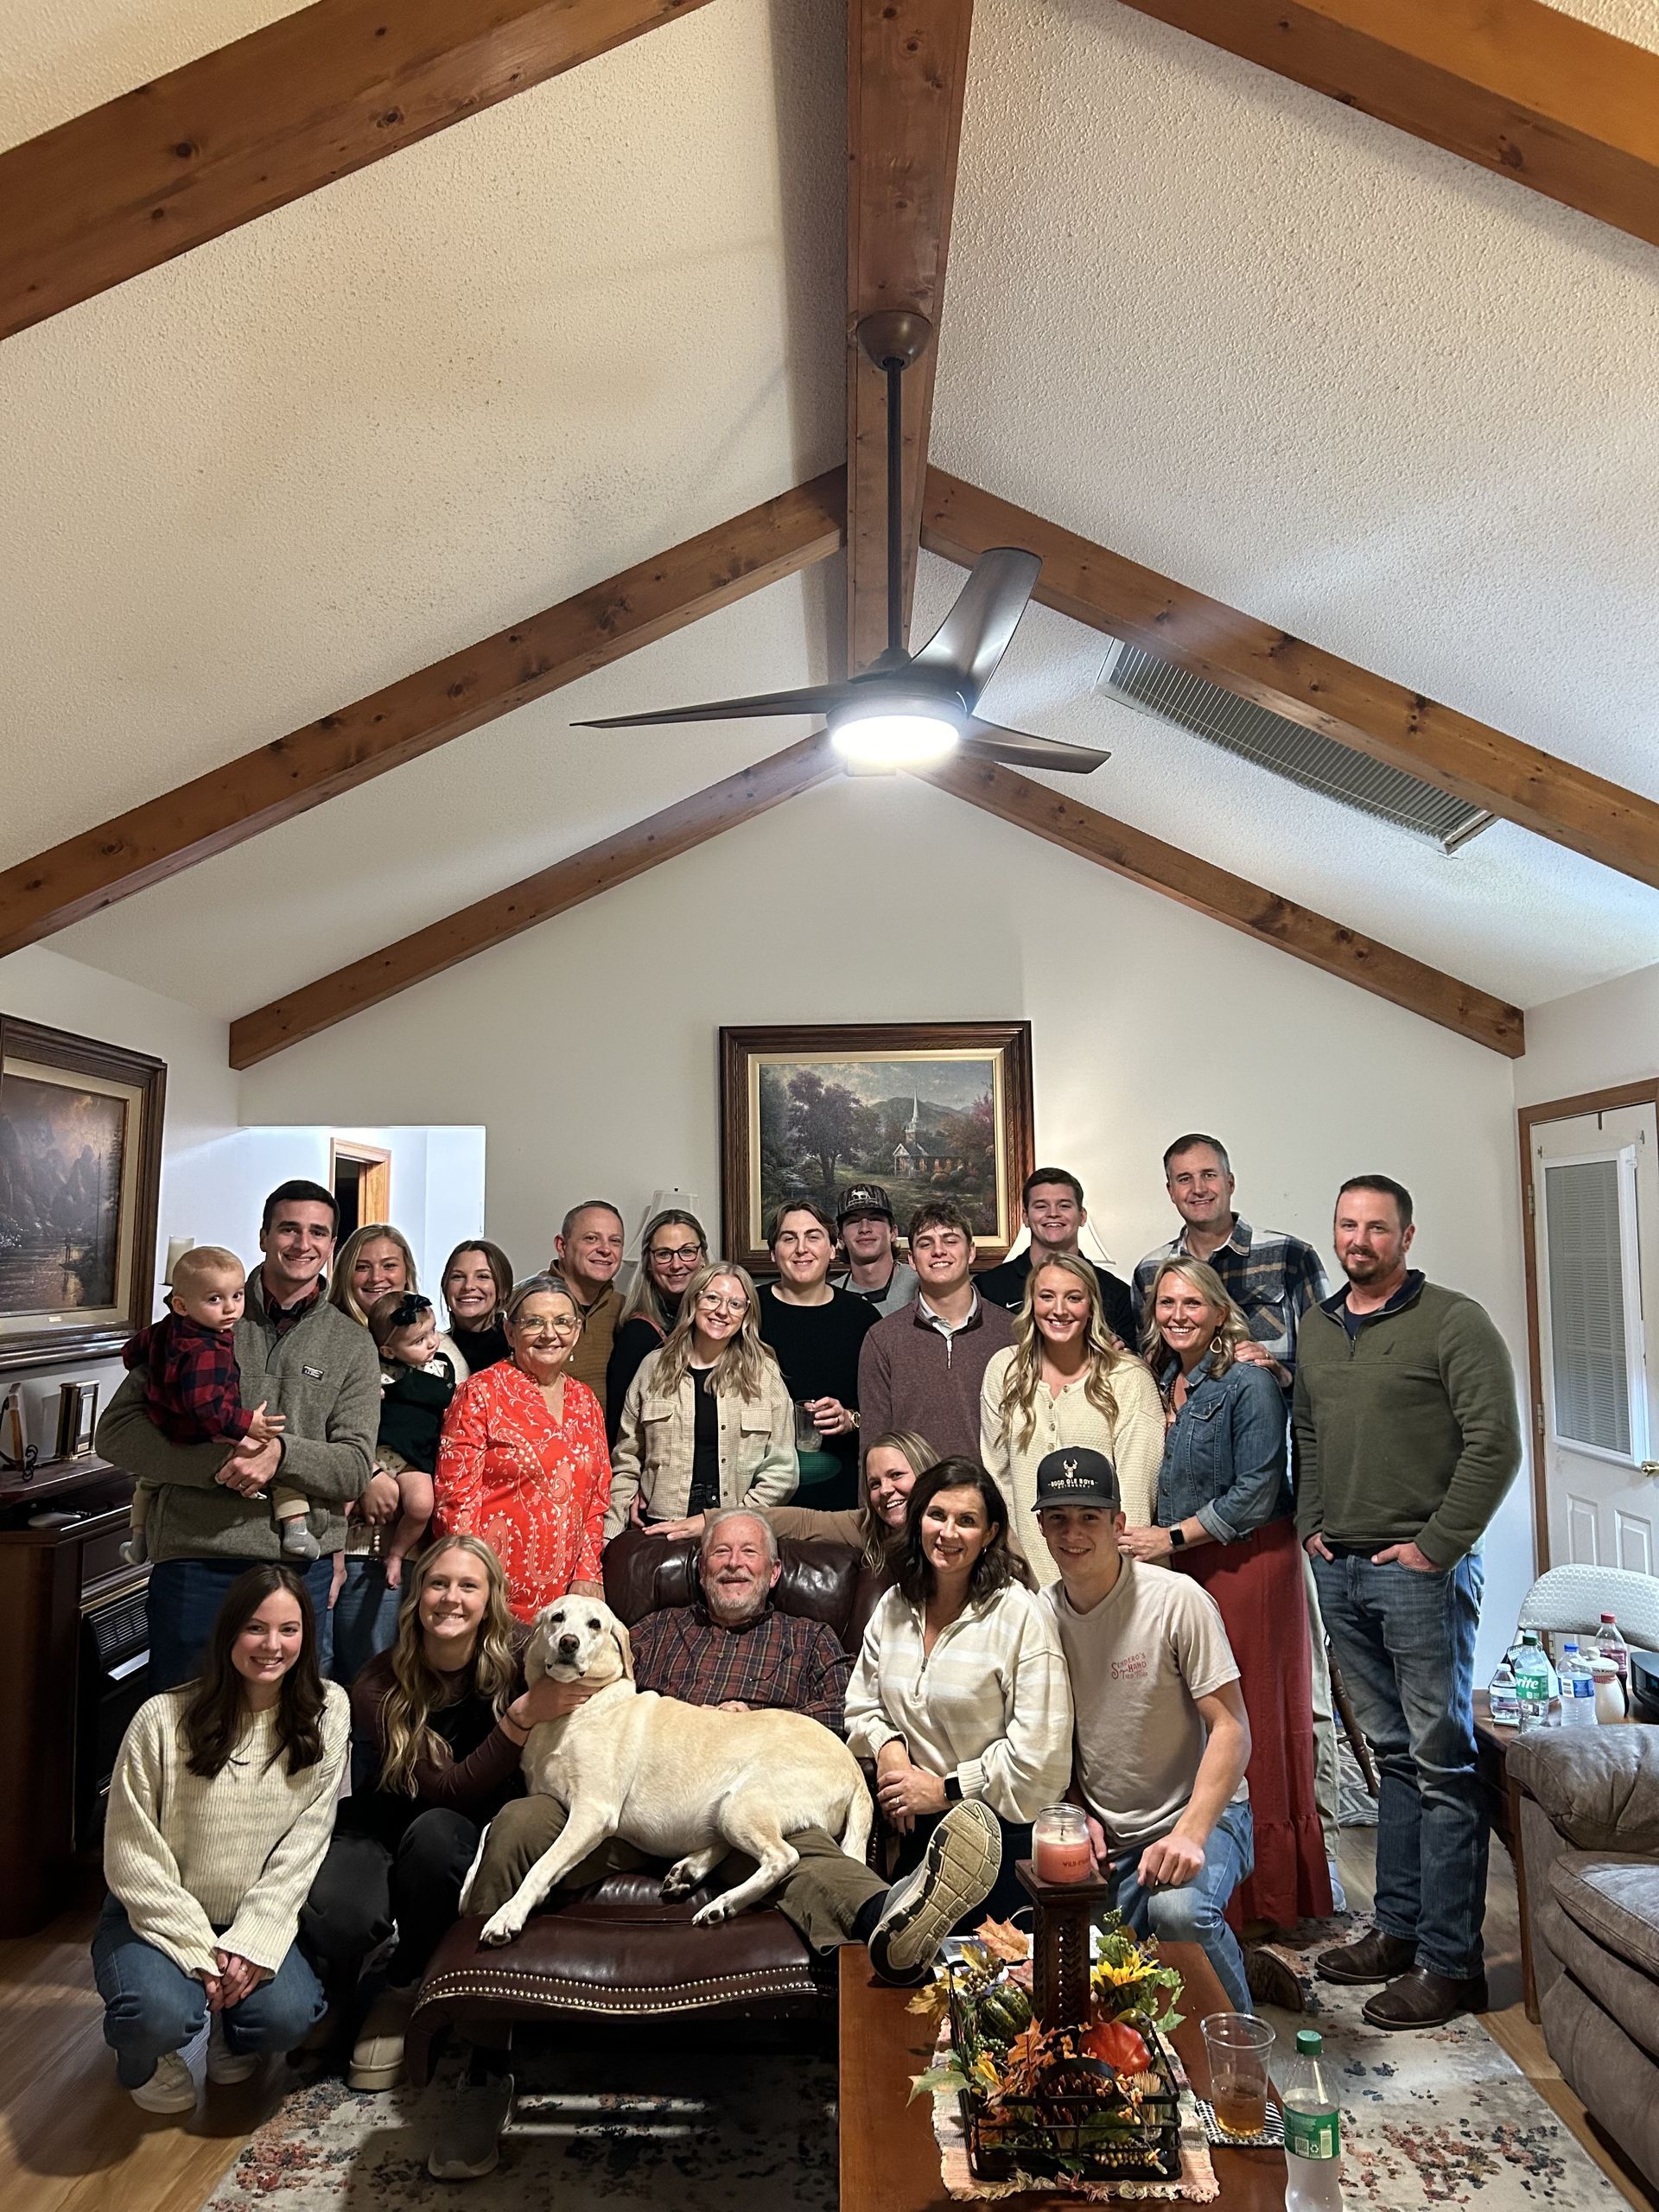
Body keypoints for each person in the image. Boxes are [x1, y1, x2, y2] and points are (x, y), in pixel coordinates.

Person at [444, 1509, 1004, 2179]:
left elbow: (840, 1721)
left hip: (747, 1794)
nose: (733, 1563)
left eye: (749, 1554)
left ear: (775, 1573)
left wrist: (760, 1720)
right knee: (516, 1826)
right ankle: (481, 2054)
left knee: (809, 1857)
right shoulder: (652, 1632)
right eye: (719, 1553)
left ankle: (891, 1923)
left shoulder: (809, 1638)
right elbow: (591, 1672)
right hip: (622, 1805)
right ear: (698, 1569)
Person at [1295, 1175, 1522, 2029]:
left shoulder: (1454, 1322)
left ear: (1407, 1235)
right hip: (1343, 1571)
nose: (1360, 1239)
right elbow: (1310, 1432)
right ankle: (1396, 1929)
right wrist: (1314, 1522)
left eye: (1377, 1227)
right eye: (1347, 1224)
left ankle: (1453, 1962)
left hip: (1420, 1573)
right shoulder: (1319, 1325)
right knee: (1391, 1755)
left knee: (1440, 1760)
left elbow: (1495, 1443)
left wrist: (1436, 1546)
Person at [1133, 1130, 1344, 1906]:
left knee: (1256, 1719)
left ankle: (1272, 1895)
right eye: (1168, 1304)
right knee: (1201, 1720)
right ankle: (1204, 1874)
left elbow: (1260, 1488)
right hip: (1191, 1565)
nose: (1178, 1313)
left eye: (1208, 1175)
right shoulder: (1169, 1379)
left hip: (1250, 1561)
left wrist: (1172, 1537)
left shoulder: (1249, 1375)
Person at [304, 1535, 576, 2094]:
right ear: (417, 1594)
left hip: (467, 1829)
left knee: (434, 1841)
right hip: (391, 1817)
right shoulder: (378, 1683)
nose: (451, 1599)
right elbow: (447, 1786)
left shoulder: (523, 1653)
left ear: (490, 1598)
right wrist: (520, 1719)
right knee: (339, 1906)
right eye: (438, 1583)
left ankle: (408, 1981)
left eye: (468, 1586)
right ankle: (335, 1987)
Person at [98, 1180, 385, 1688]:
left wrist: (279, 1455)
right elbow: (117, 1435)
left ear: (332, 1246)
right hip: (195, 1560)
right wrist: (219, 1465)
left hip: (297, 1568)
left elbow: (354, 1468)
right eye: (288, 1228)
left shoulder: (352, 1342)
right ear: (263, 1236)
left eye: (318, 1232)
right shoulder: (191, 1321)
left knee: (289, 1736)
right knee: (184, 1726)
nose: (302, 1243)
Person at [92, 1567, 350, 2113]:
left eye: (289, 1629)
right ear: (229, 1631)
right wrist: (198, 1951)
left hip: (248, 1915)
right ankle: (142, 2057)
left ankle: (233, 2033)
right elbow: (131, 1854)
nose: (272, 1646)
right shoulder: (161, 1718)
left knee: (289, 2017)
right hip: (154, 1914)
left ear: (308, 1635)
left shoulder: (329, 1712)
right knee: (156, 2015)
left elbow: (306, 1846)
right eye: (256, 1628)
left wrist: (251, 1941)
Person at [1034, 1448, 1258, 2014]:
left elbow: (1233, 1728)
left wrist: (1190, 1833)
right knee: (1076, 1983)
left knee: (1177, 1914)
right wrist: (1076, 1808)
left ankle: (1248, 2071)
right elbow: (1055, 1737)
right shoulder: (1039, 1617)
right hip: (1111, 1837)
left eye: (1089, 1517)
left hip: (1202, 1815)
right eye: (1058, 1518)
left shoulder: (1176, 1601)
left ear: (1118, 1525)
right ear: (1040, 1527)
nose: (1073, 1532)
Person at [846, 1459, 1073, 1926]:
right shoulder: (894, 1605)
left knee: (974, 1979)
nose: (947, 1532)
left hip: (1001, 1835)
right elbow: (862, 1704)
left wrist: (946, 1789)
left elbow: (1043, 1762)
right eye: (937, 1515)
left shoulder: (1019, 1615)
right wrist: (888, 1749)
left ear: (990, 1534)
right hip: (918, 1832)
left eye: (966, 1521)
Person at [434, 1275, 611, 1623]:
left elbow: (596, 1501)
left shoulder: (586, 1401)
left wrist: (588, 1574)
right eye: (534, 1322)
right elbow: (454, 1504)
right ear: (510, 1332)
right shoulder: (480, 1393)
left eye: (562, 1322)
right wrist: (472, 1584)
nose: (550, 1333)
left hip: (565, 1602)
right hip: (493, 1592)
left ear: (576, 1331)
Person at [980, 1253, 1165, 1580]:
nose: (1060, 1310)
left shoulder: (1128, 1377)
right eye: (1047, 1296)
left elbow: (1135, 1498)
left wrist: (1113, 1582)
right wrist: (1016, 1568)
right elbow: (999, 1479)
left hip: (1109, 1576)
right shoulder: (1004, 1371)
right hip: (1028, 1577)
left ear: (1091, 1306)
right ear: (1030, 1303)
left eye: (1074, 1298)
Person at [118, 1245, 292, 1569]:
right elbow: (207, 1409)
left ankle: (138, 1538)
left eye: (237, 1296)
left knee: (148, 1482)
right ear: (181, 1304)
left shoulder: (166, 1329)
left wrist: (158, 1372)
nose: (230, 1309)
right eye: (215, 1299)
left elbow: (132, 1351)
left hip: (165, 1421)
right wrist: (246, 1423)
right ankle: (295, 1523)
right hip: (200, 1429)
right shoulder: (207, 1349)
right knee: (263, 1452)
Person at [607, 1262, 796, 1539]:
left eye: (735, 1304)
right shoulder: (652, 1368)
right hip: (659, 1528)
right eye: (712, 1298)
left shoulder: (763, 1374)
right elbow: (626, 1461)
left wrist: (731, 1520)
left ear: (746, 1315)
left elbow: (783, 1471)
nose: (722, 1311)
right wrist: (607, 1538)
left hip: (736, 1534)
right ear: (694, 1300)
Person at [1133, 1135, 1330, 1385]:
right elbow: (1150, 1366)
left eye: (1209, 1175)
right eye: (1185, 1179)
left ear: (1230, 1182)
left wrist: (1281, 1372)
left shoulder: (1290, 1256)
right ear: (1171, 1191)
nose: (1199, 1189)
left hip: (1275, 1417)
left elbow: (1328, 1361)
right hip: (1185, 1421)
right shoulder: (1150, 1271)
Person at [857, 1201, 1014, 1462]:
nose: (938, 1251)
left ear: (971, 1252)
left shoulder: (1012, 1333)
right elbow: (873, 1446)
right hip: (914, 1498)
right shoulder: (882, 1339)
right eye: (926, 1244)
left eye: (950, 1241)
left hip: (992, 1498)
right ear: (912, 1260)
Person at [756, 1200, 879, 1510]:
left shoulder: (862, 1318)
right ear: (773, 1253)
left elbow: (886, 1410)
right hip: (758, 1490)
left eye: (813, 1236)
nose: (801, 1249)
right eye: (788, 1238)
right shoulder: (747, 1310)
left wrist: (851, 1418)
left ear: (833, 1249)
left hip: (842, 1491)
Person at [974, 1169, 1135, 1343]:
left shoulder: (1117, 1293)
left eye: (1064, 1205)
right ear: (1025, 1217)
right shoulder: (987, 1288)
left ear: (1082, 1216)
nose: (1053, 1213)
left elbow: (1131, 1359)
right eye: (1041, 1206)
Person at [767, 1427, 936, 1573]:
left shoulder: (954, 1525)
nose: (885, 1490)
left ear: (925, 1474)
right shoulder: (870, 1526)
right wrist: (743, 1518)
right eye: (875, 1484)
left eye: (896, 1475)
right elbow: (807, 1524)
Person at [605, 1208, 709, 1445]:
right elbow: (620, 1431)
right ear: (649, 1262)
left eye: (687, 1252)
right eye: (664, 1254)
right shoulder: (639, 1335)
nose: (676, 1264)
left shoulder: (719, 1322)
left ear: (702, 1256)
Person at [549, 1200, 626, 1398]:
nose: (605, 1249)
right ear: (562, 1246)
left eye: (615, 1241)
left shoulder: (625, 1311)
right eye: (591, 1238)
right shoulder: (527, 1303)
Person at [831, 1185, 919, 1316]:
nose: (865, 1228)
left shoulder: (923, 1284)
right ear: (841, 1236)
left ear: (893, 1232)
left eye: (874, 1219)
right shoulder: (830, 1296)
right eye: (854, 1221)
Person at [440, 1239, 516, 1376]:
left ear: (504, 1289)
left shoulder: (518, 1347)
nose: (468, 1286)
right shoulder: (432, 1349)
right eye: (458, 1277)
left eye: (483, 1276)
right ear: (445, 1287)